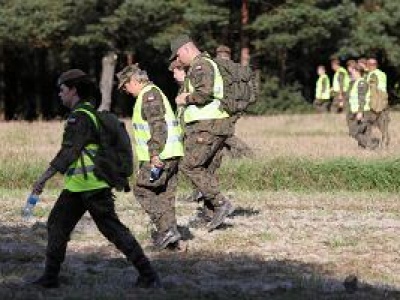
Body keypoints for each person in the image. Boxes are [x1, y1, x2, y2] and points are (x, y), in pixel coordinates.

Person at [30, 69, 161, 289]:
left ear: (73, 90)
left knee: (112, 230)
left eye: (62, 90)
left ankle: (148, 274)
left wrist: (43, 179)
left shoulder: (79, 117)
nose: (60, 95)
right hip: (80, 187)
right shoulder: (89, 113)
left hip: (91, 186)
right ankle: (50, 278)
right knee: (57, 224)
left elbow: (69, 153)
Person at [169, 34, 234, 232]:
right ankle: (210, 214)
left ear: (187, 49)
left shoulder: (201, 65)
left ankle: (221, 203)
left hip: (208, 125)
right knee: (205, 169)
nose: (178, 60)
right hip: (215, 125)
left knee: (189, 165)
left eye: (179, 55)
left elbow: (204, 93)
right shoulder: (202, 65)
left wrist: (185, 98)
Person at [117, 64, 184, 250]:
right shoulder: (151, 94)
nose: (124, 90)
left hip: (161, 155)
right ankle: (173, 242)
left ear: (135, 80)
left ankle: (167, 230)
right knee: (164, 196)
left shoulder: (149, 95)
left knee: (142, 189)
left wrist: (154, 153)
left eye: (125, 85)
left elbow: (158, 126)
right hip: (171, 153)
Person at [347, 65, 379, 149]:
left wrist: (360, 112)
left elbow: (362, 98)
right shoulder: (357, 82)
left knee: (354, 132)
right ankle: (362, 149)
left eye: (353, 72)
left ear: (357, 72)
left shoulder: (361, 83)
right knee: (365, 132)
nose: (351, 73)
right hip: (359, 111)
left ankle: (372, 144)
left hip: (363, 111)